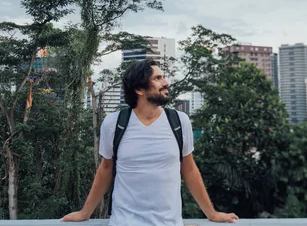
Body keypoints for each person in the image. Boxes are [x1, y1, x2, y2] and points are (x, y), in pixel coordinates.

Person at [61, 59, 238, 225]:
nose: (166, 82)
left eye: (164, 77)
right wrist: (85, 212)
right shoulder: (114, 123)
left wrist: (212, 214)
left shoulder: (179, 122)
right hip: (124, 222)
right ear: (139, 89)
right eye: (158, 78)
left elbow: (189, 169)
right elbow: (105, 169)